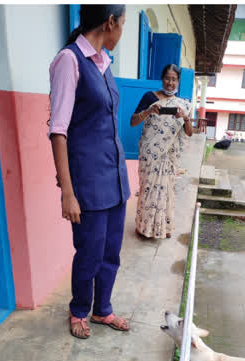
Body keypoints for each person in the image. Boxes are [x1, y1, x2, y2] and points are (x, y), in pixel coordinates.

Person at [49, 5, 130, 339]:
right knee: (90, 252)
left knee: (111, 253)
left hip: (115, 178)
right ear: (109, 22)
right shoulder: (69, 60)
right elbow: (58, 130)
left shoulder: (104, 63)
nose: (122, 31)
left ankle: (103, 310)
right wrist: (67, 191)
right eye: (122, 24)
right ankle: (79, 309)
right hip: (88, 183)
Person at [130, 64, 193, 239]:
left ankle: (163, 228)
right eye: (167, 78)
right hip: (150, 154)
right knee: (147, 190)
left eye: (174, 79)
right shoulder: (149, 97)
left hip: (169, 156)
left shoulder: (183, 105)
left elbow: (189, 133)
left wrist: (186, 118)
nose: (170, 83)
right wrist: (148, 111)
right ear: (162, 79)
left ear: (178, 81)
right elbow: (133, 121)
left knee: (166, 192)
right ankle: (144, 227)